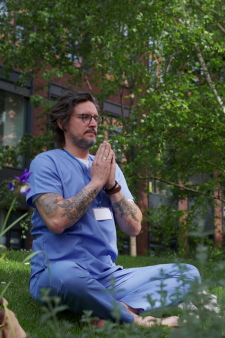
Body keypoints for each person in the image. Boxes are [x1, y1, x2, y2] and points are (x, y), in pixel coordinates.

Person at [26, 91, 200, 327]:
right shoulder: (46, 162)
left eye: (96, 118)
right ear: (62, 123)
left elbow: (134, 227)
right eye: (85, 117)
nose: (94, 123)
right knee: (66, 275)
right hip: (58, 273)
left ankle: (115, 313)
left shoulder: (111, 169)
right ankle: (140, 321)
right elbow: (56, 221)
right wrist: (96, 182)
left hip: (108, 277)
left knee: (187, 273)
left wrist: (112, 186)